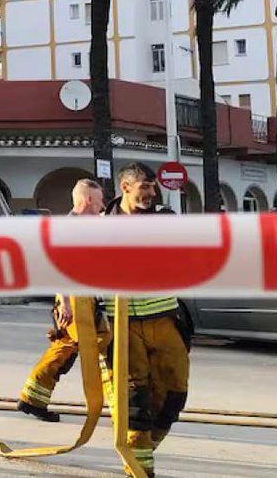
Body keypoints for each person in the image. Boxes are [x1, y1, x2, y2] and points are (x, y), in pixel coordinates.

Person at [105, 163, 191, 478]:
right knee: (134, 401)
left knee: (174, 395)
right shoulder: (99, 226)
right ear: (125, 187)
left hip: (164, 319)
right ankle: (140, 468)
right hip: (121, 324)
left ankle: (140, 450)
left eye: (153, 187)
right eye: (145, 187)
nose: (152, 193)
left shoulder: (165, 220)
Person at [18, 178, 105, 422]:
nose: (102, 205)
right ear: (88, 199)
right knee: (81, 345)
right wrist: (65, 302)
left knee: (66, 347)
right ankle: (120, 401)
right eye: (100, 201)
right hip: (74, 297)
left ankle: (32, 399)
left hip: (82, 296)